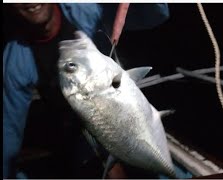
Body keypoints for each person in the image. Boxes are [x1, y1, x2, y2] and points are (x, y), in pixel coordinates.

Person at [3, 3, 170, 179]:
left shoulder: (86, 8)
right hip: (77, 136)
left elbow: (156, 14)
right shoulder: (16, 60)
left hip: (128, 121)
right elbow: (8, 131)